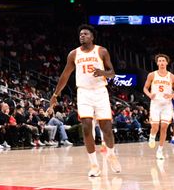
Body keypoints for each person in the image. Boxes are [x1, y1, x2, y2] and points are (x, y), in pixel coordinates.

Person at [50, 24, 121, 177]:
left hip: (100, 92)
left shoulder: (101, 51)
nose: (82, 36)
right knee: (87, 127)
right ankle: (94, 165)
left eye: (85, 34)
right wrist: (55, 95)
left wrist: (103, 72)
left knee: (106, 128)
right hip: (83, 93)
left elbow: (112, 73)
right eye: (81, 34)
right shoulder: (73, 54)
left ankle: (110, 154)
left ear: (92, 37)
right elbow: (65, 75)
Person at [143, 54, 174, 160]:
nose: (161, 62)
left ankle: (160, 151)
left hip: (167, 105)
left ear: (166, 63)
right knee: (155, 127)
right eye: (159, 61)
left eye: (163, 60)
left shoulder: (172, 77)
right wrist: (149, 95)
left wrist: (171, 95)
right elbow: (145, 88)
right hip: (155, 104)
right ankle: (152, 135)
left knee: (164, 127)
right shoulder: (152, 75)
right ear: (157, 63)